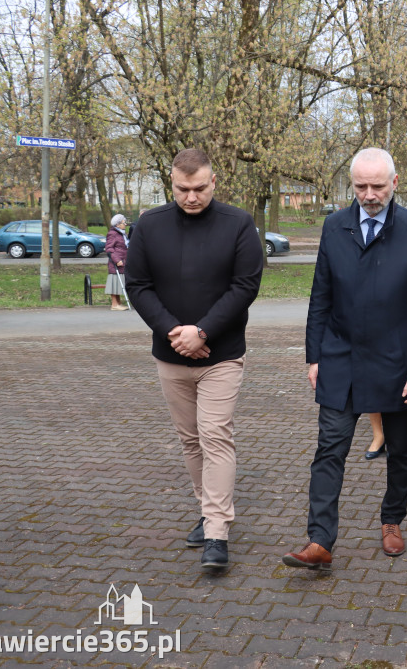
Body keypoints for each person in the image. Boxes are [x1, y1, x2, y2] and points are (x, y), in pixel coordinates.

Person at [282, 148, 407, 571]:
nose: (369, 195)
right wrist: (313, 356)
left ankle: (392, 520)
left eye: (377, 185)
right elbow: (321, 296)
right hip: (340, 358)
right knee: (329, 449)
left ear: (395, 182)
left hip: (397, 362)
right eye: (360, 186)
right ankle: (319, 539)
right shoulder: (335, 227)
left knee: (401, 451)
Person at [125, 148, 263, 570]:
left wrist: (201, 332)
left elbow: (245, 286)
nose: (191, 196)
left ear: (214, 181)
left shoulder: (238, 224)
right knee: (190, 439)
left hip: (221, 355)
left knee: (215, 434)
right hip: (171, 355)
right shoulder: (149, 225)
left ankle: (217, 532)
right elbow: (138, 285)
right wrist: (175, 333)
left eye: (199, 188)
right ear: (172, 183)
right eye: (183, 189)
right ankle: (208, 510)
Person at [104, 214, 130, 311]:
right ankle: (114, 304)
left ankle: (118, 303)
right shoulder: (113, 234)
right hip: (116, 262)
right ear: (118, 224)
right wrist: (117, 260)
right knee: (115, 282)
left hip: (123, 261)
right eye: (124, 222)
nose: (126, 224)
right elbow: (109, 248)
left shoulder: (121, 233)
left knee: (119, 283)